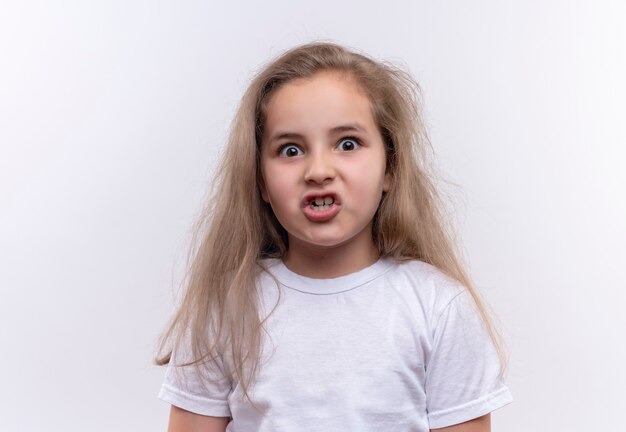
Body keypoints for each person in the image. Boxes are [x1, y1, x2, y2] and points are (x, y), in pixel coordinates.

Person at [156, 42, 513, 432]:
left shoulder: (439, 308)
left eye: (347, 144)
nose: (318, 170)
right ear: (260, 180)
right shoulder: (225, 308)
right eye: (291, 149)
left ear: (390, 168)